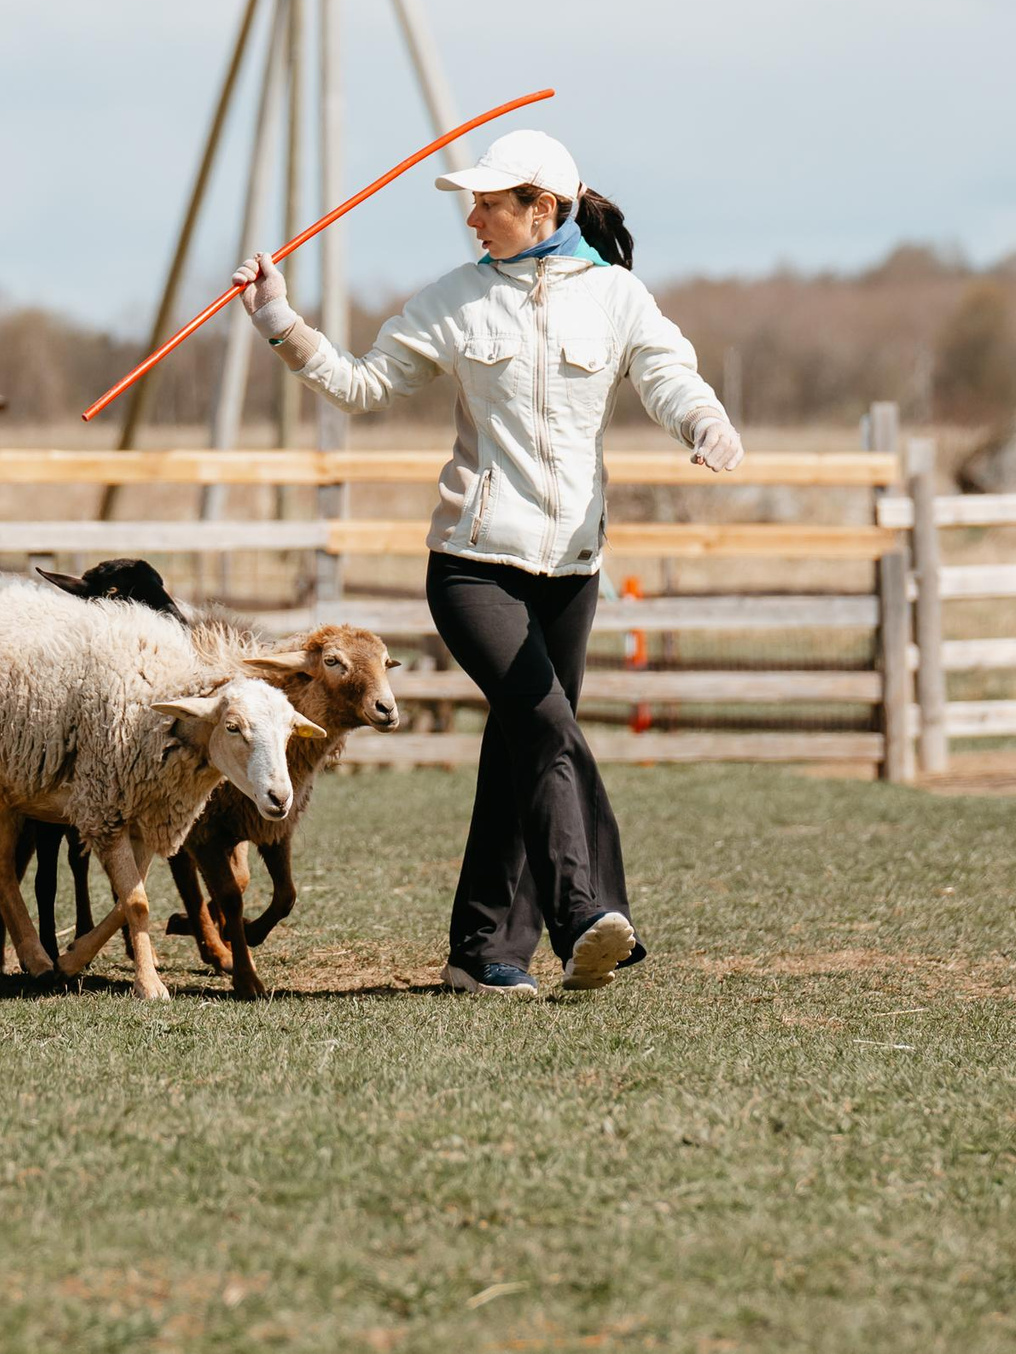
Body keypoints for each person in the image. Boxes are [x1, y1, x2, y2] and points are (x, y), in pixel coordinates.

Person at [229, 129, 743, 998]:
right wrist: (280, 320)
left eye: (490, 204)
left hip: (573, 571)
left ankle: (480, 953)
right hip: (473, 566)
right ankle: (586, 914)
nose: (473, 219)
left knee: (520, 749)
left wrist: (706, 422)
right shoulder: (455, 300)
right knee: (547, 727)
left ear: (543, 208)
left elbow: (668, 376)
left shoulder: (619, 299)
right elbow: (362, 384)